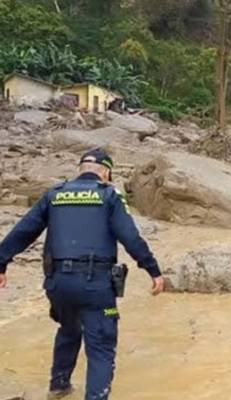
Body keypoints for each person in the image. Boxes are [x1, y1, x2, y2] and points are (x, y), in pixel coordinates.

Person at [0, 149, 164, 400]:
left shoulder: (55, 193)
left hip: (58, 284)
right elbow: (130, 237)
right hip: (95, 285)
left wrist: (2, 263)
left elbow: (23, 231)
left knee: (69, 328)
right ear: (106, 173)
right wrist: (153, 270)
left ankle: (58, 386)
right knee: (101, 347)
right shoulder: (109, 195)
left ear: (81, 169)